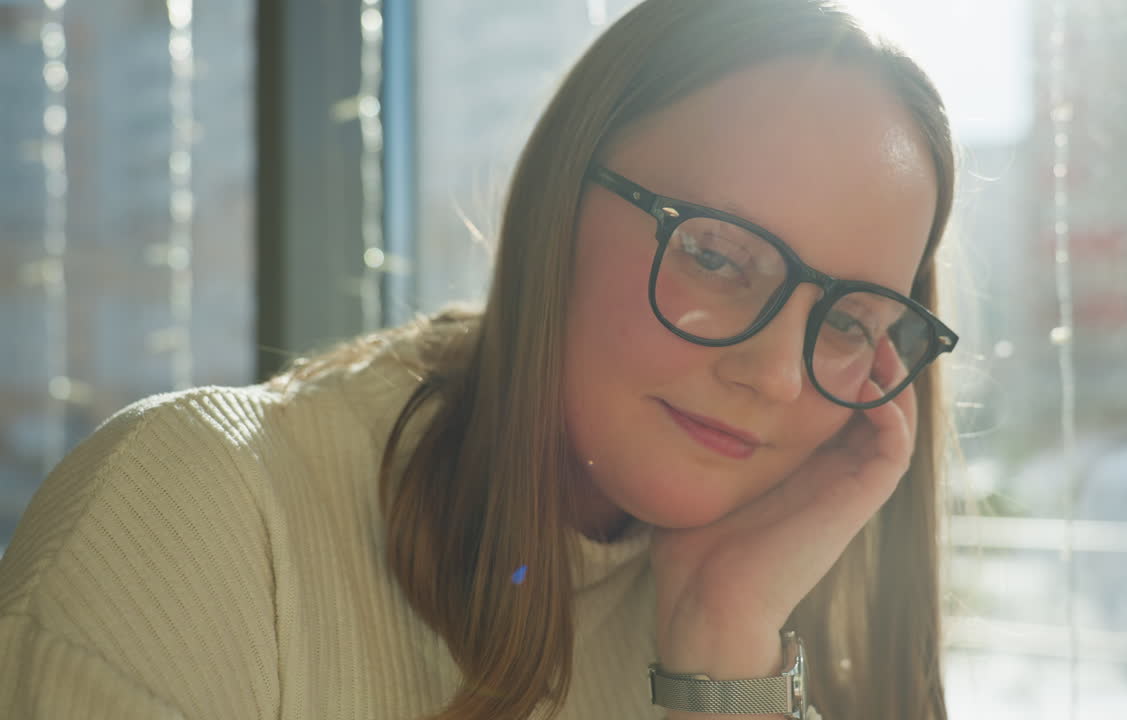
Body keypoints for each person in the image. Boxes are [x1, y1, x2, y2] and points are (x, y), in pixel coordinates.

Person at [0, 0, 958, 717]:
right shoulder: (199, 518)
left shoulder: (788, 606)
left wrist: (721, 654)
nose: (778, 377)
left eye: (847, 321)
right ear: (555, 205)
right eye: (715, 256)